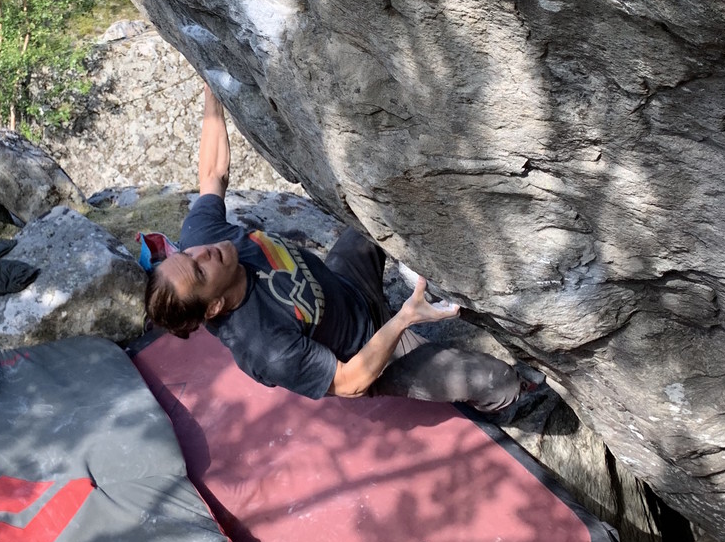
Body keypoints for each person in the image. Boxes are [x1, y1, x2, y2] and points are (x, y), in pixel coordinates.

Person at [144, 84, 542, 415]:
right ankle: (512, 397)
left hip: (345, 281)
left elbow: (213, 173)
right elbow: (350, 383)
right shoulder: (264, 347)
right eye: (199, 271)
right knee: (496, 382)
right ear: (214, 306)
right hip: (373, 353)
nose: (201, 254)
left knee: (386, 198)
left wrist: (212, 90)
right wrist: (404, 319)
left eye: (187, 255)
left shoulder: (204, 240)